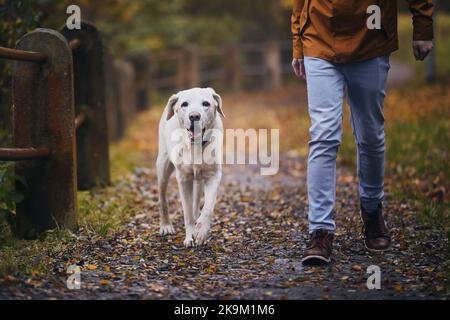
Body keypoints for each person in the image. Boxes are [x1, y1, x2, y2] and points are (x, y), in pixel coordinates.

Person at [291, 0, 434, 264]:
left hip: (371, 42)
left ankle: (371, 210)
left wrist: (422, 25)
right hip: (319, 39)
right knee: (323, 135)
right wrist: (298, 44)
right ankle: (320, 230)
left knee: (370, 135)